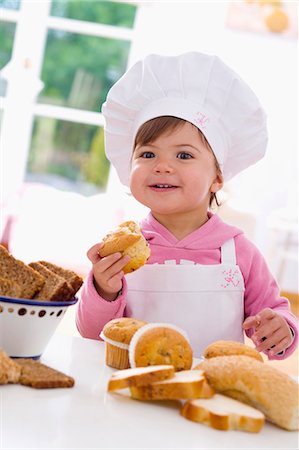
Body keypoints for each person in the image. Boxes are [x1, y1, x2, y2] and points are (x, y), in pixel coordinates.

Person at [76, 52, 298, 358]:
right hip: (131, 388)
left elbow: (275, 320)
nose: (162, 166)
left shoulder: (239, 251)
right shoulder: (123, 251)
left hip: (210, 394)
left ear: (217, 178)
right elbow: (91, 333)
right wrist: (103, 288)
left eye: (183, 155)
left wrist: (280, 328)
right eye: (148, 154)